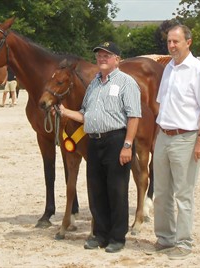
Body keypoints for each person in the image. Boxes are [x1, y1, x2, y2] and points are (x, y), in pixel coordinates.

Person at [55, 41, 141, 253]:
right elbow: (85, 115)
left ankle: (117, 237)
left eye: (107, 55)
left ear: (117, 60)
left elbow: (134, 116)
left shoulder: (126, 83)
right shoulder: (93, 84)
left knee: (117, 190)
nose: (102, 59)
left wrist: (127, 145)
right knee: (96, 190)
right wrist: (65, 112)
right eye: (99, 55)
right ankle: (100, 234)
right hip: (93, 140)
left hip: (116, 140)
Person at [146, 25, 200, 260]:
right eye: (169, 42)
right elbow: (161, 105)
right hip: (164, 135)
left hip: (187, 137)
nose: (171, 45)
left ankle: (184, 242)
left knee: (183, 193)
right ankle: (165, 238)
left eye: (176, 41)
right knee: (162, 192)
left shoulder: (198, 70)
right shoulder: (168, 69)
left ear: (188, 42)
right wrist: (157, 136)